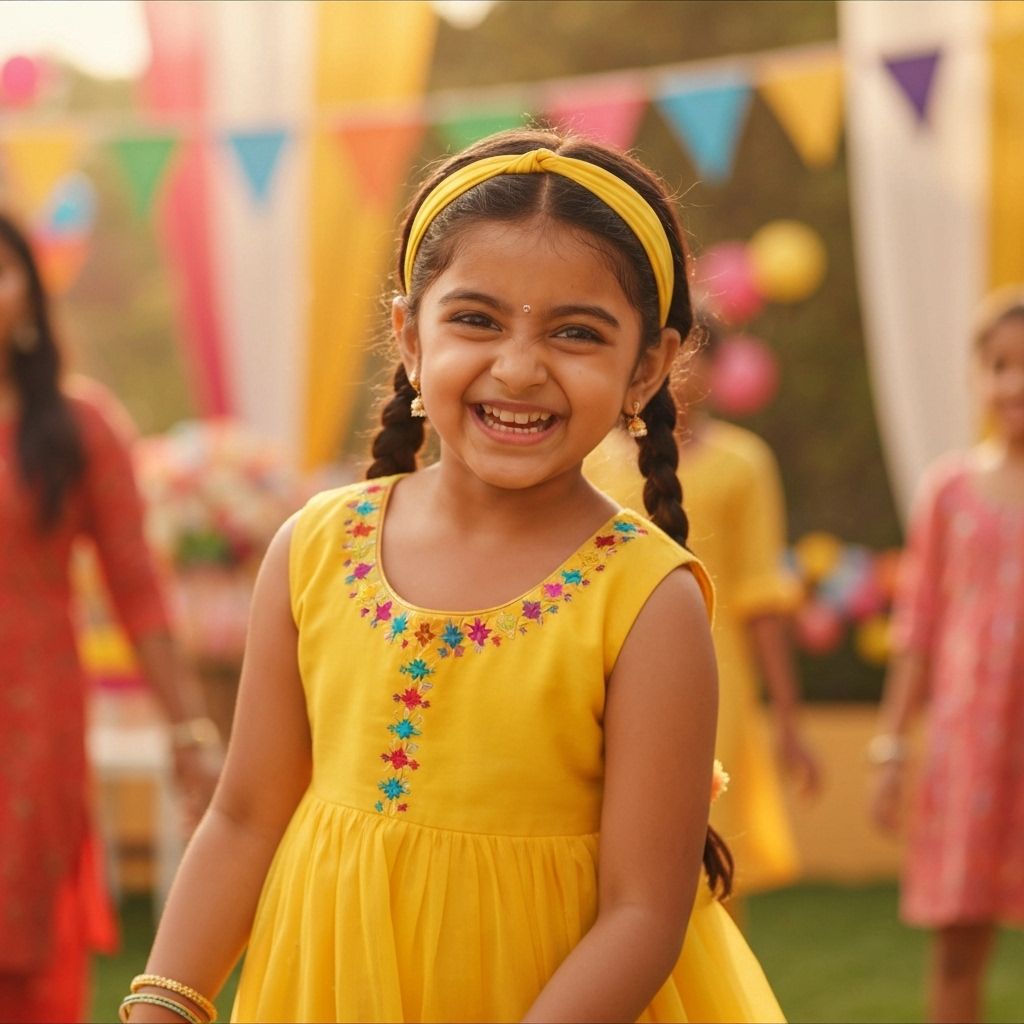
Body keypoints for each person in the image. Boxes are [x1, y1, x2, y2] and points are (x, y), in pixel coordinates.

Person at [124, 128, 784, 1023]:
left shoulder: (646, 600)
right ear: (409, 335)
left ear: (648, 368)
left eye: (576, 333)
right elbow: (244, 820)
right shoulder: (315, 548)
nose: (518, 368)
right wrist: (164, 1003)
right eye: (476, 320)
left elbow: (642, 912)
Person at [0, 210, 219, 1023]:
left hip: (29, 717)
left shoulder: (78, 427)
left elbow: (137, 588)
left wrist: (189, 732)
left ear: (30, 294)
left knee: (21, 925)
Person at [586, 316, 821, 904]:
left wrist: (788, 721)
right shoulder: (592, 460)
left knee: (705, 848)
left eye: (695, 356)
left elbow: (762, 596)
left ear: (716, 370)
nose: (678, 372)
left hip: (715, 678)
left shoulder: (743, 463)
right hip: (602, 672)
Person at [870, 288, 1024, 1024]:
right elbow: (918, 628)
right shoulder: (949, 492)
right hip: (970, 753)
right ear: (978, 377)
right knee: (959, 946)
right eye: (1001, 365)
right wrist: (891, 747)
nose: (1016, 383)